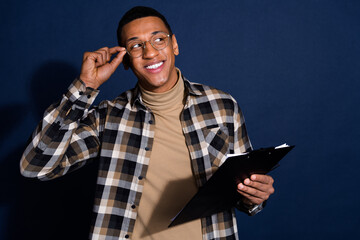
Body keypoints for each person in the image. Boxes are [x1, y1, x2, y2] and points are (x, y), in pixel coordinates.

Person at [20, 6, 275, 240]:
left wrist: (255, 196)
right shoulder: (109, 117)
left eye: (158, 39)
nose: (150, 52)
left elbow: (246, 190)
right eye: (136, 46)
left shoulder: (222, 106)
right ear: (126, 60)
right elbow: (35, 167)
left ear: (174, 44)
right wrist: (86, 87)